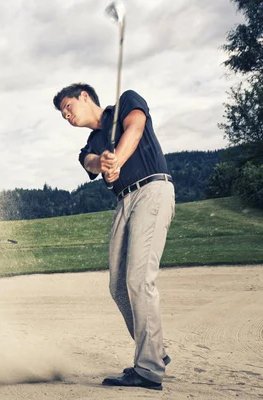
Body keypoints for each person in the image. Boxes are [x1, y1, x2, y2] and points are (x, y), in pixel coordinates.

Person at [52, 83, 175, 391]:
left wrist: (118, 157)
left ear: (84, 97)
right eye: (62, 113)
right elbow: (90, 162)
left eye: (68, 106)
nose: (66, 115)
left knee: (138, 278)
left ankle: (148, 370)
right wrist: (103, 162)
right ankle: (155, 352)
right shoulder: (91, 142)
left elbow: (135, 127)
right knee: (118, 285)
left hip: (152, 190)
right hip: (124, 201)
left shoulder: (125, 102)